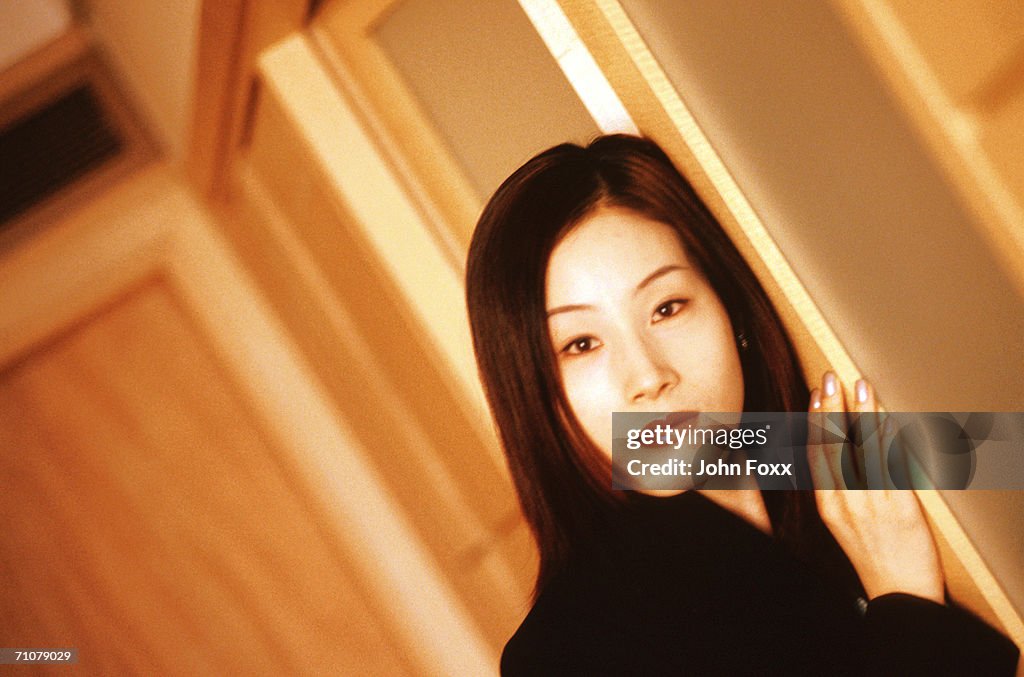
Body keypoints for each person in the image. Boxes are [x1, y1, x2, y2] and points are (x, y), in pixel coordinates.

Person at [465, 135, 1019, 675]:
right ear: (535, 390)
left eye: (668, 308)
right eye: (580, 344)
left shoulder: (831, 464)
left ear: (732, 310)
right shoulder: (566, 654)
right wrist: (903, 597)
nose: (648, 377)